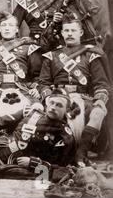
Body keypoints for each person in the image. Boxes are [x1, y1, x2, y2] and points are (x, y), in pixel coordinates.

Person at [38, 12, 110, 166]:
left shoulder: (91, 55)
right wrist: (49, 99)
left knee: (98, 112)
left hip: (84, 98)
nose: (70, 34)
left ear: (81, 32)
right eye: (66, 30)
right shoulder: (52, 56)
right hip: (58, 99)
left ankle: (81, 153)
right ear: (62, 33)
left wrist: (99, 101)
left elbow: (101, 84)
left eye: (73, 30)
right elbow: (43, 83)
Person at [0, 12, 43, 121]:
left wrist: (36, 88)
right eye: (4, 25)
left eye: (11, 25)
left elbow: (36, 74)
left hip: (20, 88)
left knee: (38, 107)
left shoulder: (27, 48)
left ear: (17, 29)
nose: (7, 29)